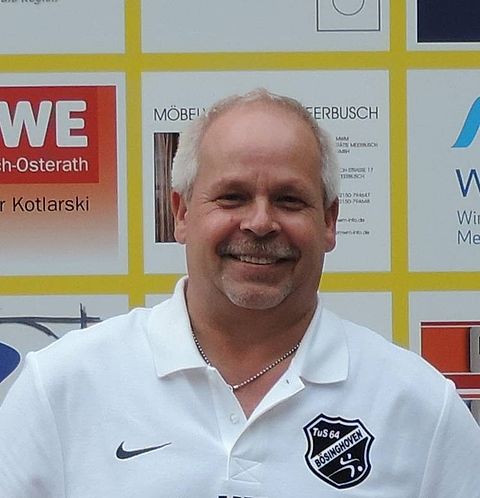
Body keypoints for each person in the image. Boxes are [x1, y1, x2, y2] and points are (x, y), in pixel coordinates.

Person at [0, 89, 479, 497]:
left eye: (289, 200)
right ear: (181, 213)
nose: (260, 222)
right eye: (232, 196)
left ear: (330, 222)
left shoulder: (419, 406)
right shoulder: (60, 388)